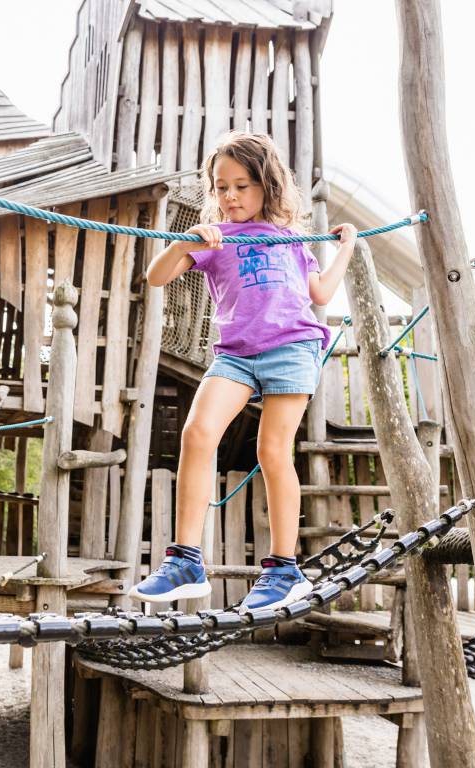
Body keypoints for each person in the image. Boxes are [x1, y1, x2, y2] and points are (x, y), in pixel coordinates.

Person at [129, 132, 357, 611]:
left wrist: (347, 248)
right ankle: (186, 561)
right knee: (197, 433)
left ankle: (283, 569)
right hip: (235, 353)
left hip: (292, 348)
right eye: (221, 187)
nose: (230, 196)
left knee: (272, 450)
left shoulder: (294, 238)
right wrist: (184, 241)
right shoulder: (215, 238)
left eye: (242, 186)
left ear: (267, 187)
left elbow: (320, 295)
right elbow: (156, 276)